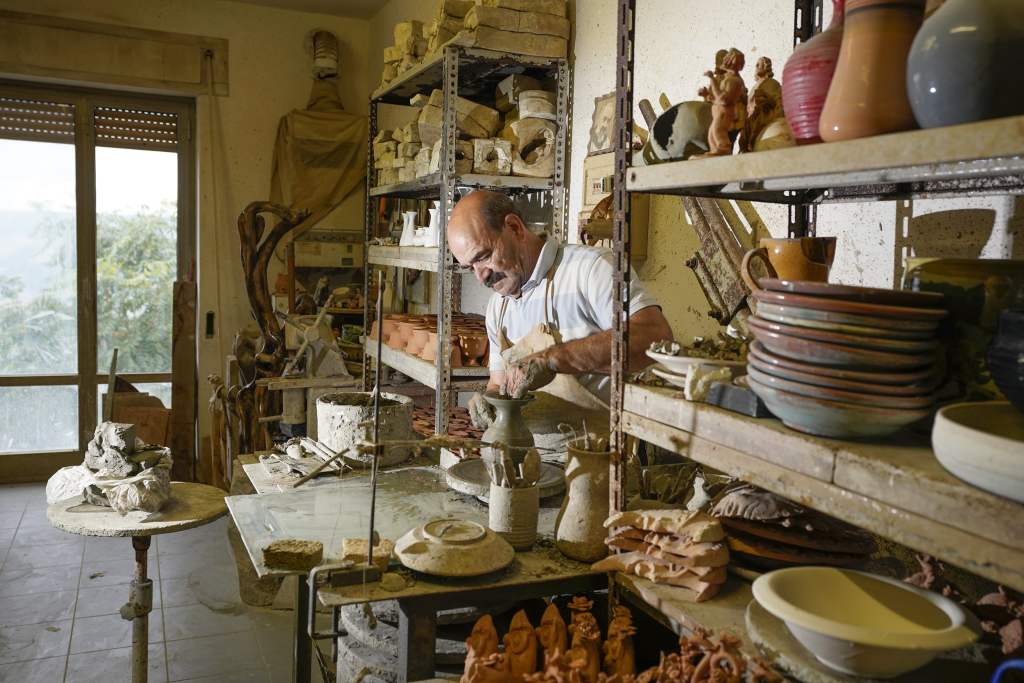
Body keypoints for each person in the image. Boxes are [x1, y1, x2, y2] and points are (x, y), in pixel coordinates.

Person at [446, 190, 673, 430]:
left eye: (483, 257)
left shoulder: (590, 269)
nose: (481, 277)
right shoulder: (497, 307)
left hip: (602, 447)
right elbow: (499, 383)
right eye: (470, 267)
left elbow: (655, 338)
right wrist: (489, 400)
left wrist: (554, 359)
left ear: (514, 227)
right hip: (529, 450)